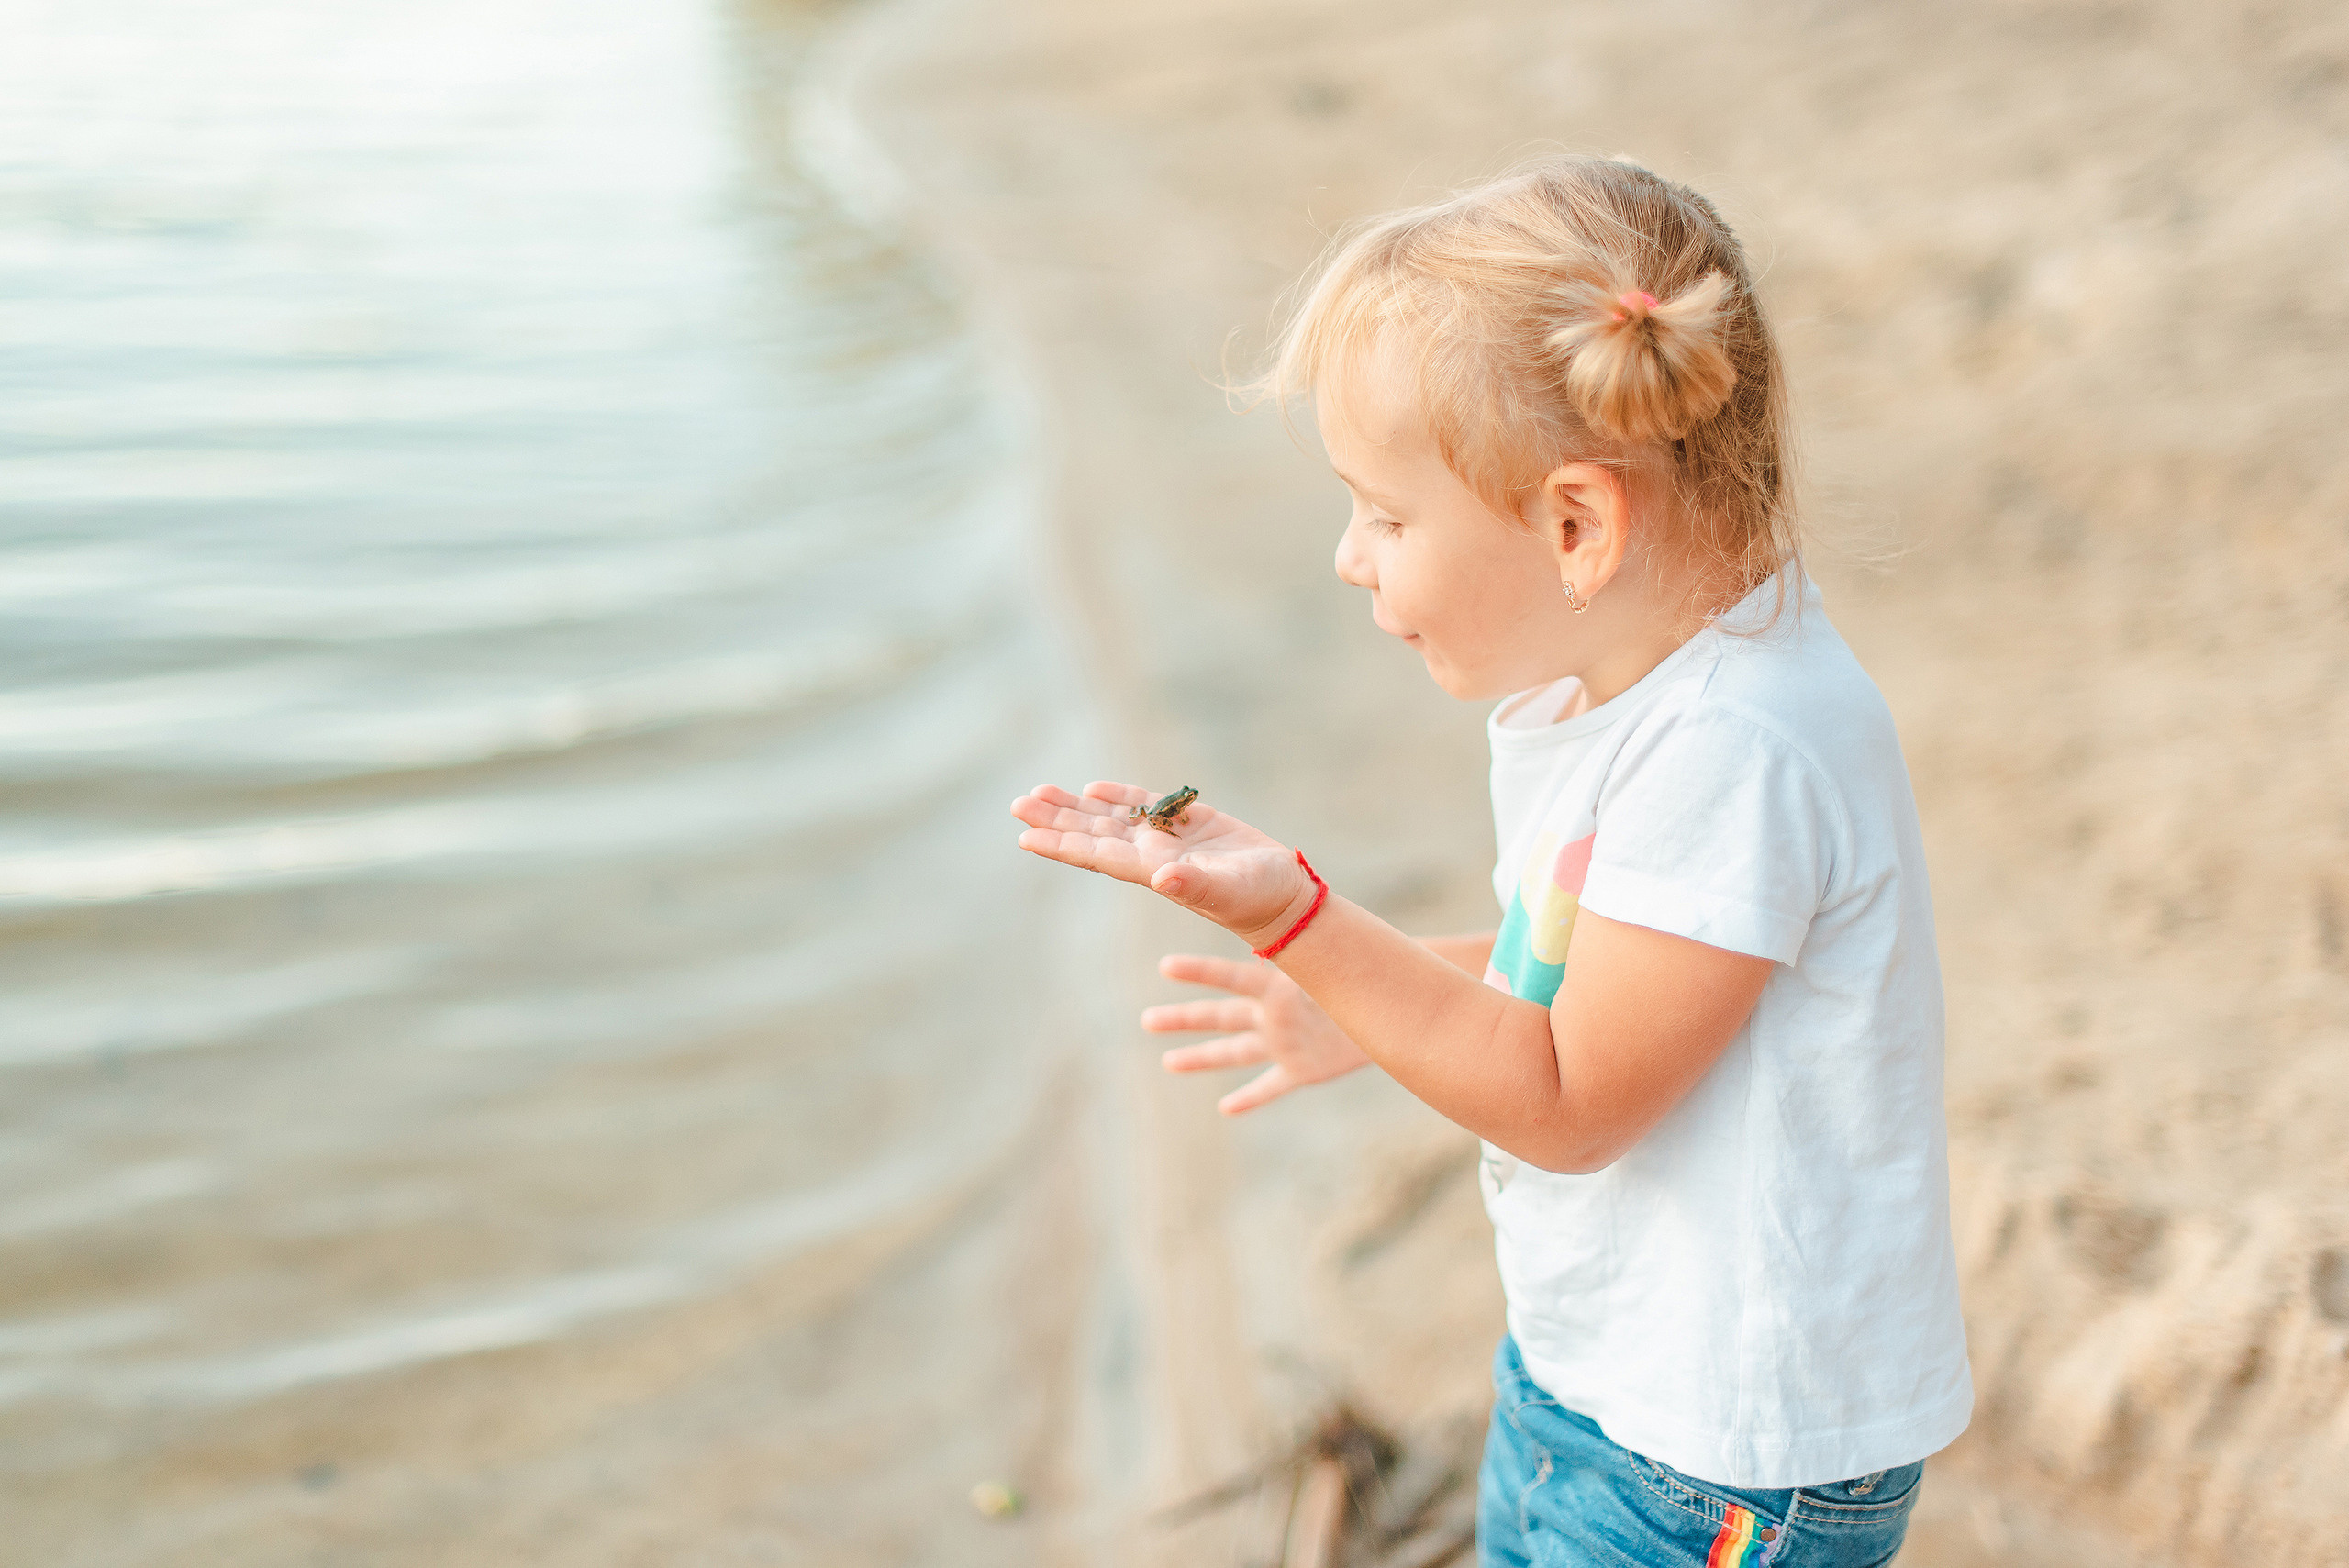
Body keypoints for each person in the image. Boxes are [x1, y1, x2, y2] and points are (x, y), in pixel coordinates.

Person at [1008, 154, 1969, 1568]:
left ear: (1576, 525)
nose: (1352, 557)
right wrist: (1367, 1002)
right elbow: (1606, 979)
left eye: (1386, 516)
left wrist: (1306, 925)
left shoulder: (1736, 752)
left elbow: (1569, 1097)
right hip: (1600, 1390)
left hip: (1717, 1463)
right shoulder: (1644, 686)